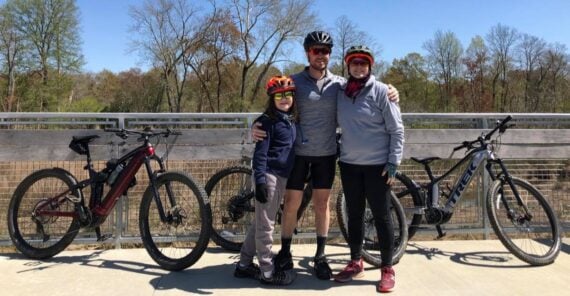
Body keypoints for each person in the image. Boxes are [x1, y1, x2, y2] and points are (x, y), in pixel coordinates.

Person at [252, 31, 400, 280]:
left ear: (330, 55)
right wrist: (255, 126)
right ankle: (286, 252)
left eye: (325, 51)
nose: (321, 55)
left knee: (322, 205)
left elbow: (365, 85)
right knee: (291, 204)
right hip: (297, 154)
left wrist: (391, 91)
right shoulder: (295, 81)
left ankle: (320, 255)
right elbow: (274, 103)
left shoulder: (341, 85)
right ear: (308, 53)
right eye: (316, 50)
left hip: (327, 154)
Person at [332, 45, 404, 293]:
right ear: (348, 67)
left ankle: (387, 267)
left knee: (382, 216)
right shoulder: (341, 92)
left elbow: (397, 130)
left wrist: (393, 163)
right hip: (350, 165)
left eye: (364, 63)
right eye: (355, 63)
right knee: (354, 215)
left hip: (378, 167)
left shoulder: (383, 91)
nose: (359, 67)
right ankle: (355, 261)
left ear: (370, 66)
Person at [234, 75, 299, 285]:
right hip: (268, 176)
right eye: (279, 95)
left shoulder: (291, 120)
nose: (284, 98)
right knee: (266, 226)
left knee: (260, 222)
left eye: (288, 94)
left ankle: (243, 265)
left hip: (282, 177)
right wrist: (260, 180)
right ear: (271, 98)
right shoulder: (266, 122)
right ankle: (267, 271)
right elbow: (260, 155)